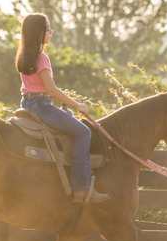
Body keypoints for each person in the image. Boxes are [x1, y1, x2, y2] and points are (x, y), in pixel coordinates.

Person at [15, 13, 111, 204]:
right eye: (48, 28)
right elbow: (51, 89)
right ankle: (81, 190)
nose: (51, 32)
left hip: (27, 104)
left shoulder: (24, 55)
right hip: (42, 107)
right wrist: (78, 105)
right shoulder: (42, 58)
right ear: (40, 32)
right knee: (83, 133)